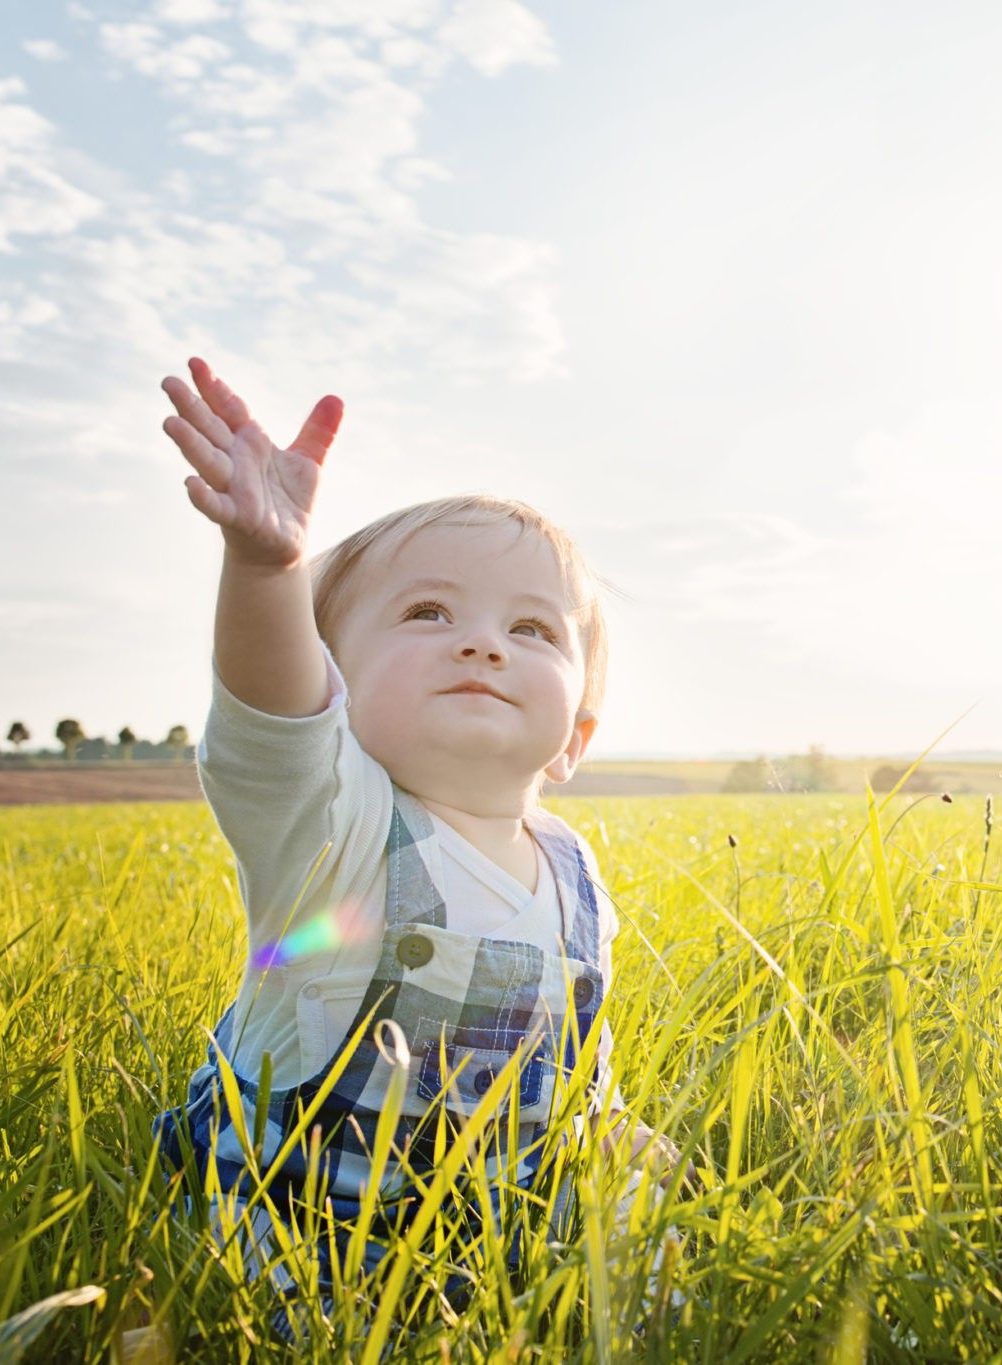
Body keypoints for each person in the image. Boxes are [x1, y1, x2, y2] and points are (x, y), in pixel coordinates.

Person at [142, 356, 685, 1350]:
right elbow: (272, 719)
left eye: (531, 628)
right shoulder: (336, 827)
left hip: (478, 1218)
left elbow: (565, 1061)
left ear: (576, 738)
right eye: (428, 613)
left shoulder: (571, 876)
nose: (483, 645)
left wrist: (610, 1127)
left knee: (642, 1255)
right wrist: (267, 572)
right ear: (334, 687)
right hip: (305, 1233)